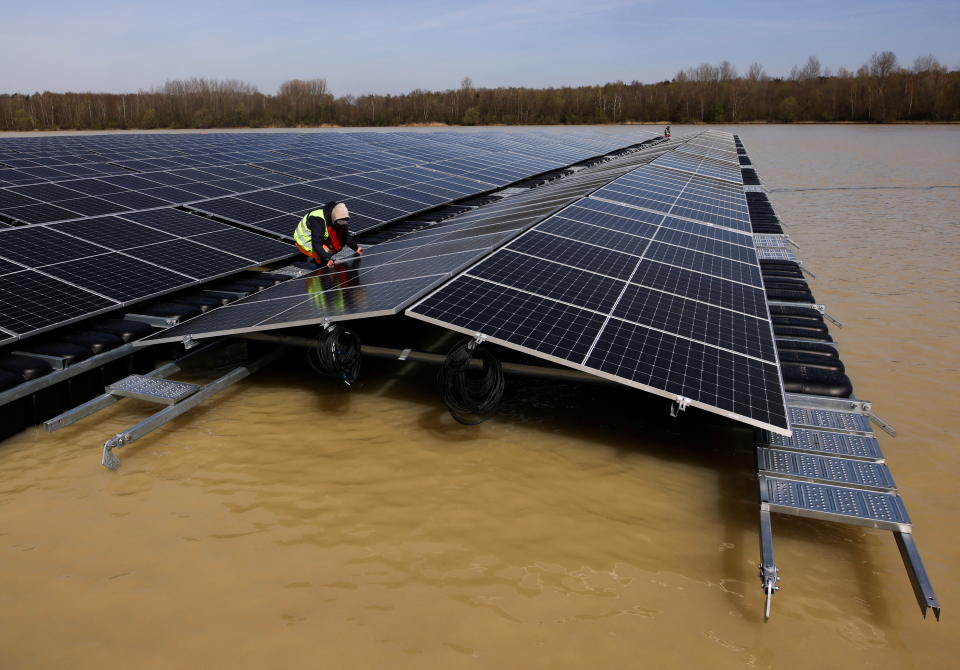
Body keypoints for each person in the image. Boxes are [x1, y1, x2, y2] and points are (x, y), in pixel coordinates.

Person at [293, 201, 364, 268]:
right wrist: (327, 259)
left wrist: (356, 248)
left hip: (318, 238)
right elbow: (316, 244)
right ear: (334, 218)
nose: (340, 225)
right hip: (304, 241)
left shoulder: (339, 216)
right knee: (325, 252)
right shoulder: (318, 220)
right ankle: (318, 260)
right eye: (338, 224)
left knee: (338, 244)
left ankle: (322, 256)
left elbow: (345, 236)